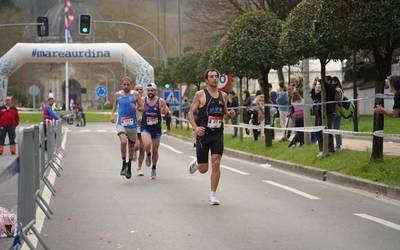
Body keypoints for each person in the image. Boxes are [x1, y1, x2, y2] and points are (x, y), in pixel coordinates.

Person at [187, 69, 235, 206]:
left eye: (216, 76)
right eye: (211, 77)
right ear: (206, 80)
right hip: (203, 135)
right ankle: (197, 163)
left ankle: (212, 194)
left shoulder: (223, 95)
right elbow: (190, 113)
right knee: (203, 169)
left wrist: (230, 114)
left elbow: (224, 112)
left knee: (216, 161)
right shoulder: (200, 94)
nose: (214, 78)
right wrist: (196, 128)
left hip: (217, 134)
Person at [111, 77, 144, 179]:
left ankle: (129, 166)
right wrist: (112, 114)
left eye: (128, 84)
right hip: (121, 123)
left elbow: (143, 108)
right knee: (123, 141)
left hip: (132, 125)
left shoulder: (135, 95)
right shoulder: (118, 95)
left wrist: (136, 108)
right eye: (124, 84)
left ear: (131, 85)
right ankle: (123, 163)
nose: (126, 86)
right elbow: (114, 104)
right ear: (122, 85)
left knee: (131, 147)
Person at [141, 82, 170, 179]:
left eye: (152, 90)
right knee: (147, 145)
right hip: (145, 127)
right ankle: (148, 155)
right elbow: (137, 110)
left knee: (155, 150)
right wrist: (138, 117)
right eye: (149, 90)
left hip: (156, 129)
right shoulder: (143, 100)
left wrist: (166, 112)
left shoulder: (160, 101)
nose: (150, 92)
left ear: (156, 91)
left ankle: (153, 168)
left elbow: (167, 112)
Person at [133, 84, 146, 176]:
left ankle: (139, 168)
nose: (138, 91)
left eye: (140, 89)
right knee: (136, 146)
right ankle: (133, 151)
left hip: (144, 126)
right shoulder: (131, 100)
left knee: (142, 148)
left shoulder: (146, 100)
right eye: (136, 89)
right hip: (133, 126)